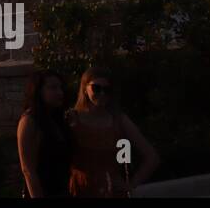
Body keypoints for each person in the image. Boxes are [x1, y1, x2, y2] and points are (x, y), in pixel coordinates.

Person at [68, 66, 160, 197]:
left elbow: (152, 157)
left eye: (107, 90)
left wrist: (130, 185)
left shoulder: (118, 119)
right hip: (80, 190)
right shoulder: (72, 118)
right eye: (96, 88)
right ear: (85, 88)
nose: (102, 94)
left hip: (111, 192)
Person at [16, 70, 72, 198]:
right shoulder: (30, 121)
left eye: (60, 88)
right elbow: (28, 170)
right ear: (39, 91)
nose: (59, 92)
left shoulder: (57, 118)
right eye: (52, 88)